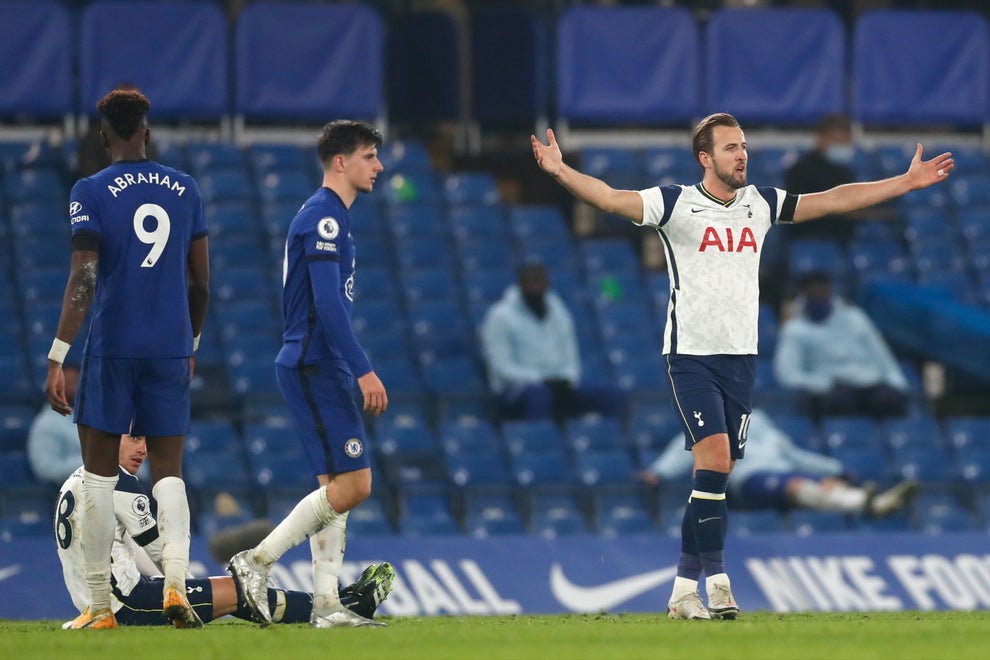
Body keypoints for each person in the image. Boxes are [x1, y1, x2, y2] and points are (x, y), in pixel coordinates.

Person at [530, 113, 953, 621]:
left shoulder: (760, 204)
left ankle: (683, 591)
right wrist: (560, 172)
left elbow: (837, 198)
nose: (742, 155)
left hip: (741, 357)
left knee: (715, 473)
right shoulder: (675, 204)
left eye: (744, 146)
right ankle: (720, 583)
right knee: (714, 457)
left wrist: (905, 182)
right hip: (690, 355)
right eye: (730, 148)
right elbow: (609, 197)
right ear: (705, 158)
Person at [44, 88, 211, 630]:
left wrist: (58, 354)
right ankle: (177, 589)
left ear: (104, 136)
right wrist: (191, 344)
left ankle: (98, 606)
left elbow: (85, 275)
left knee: (98, 477)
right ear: (146, 131)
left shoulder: (90, 190)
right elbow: (201, 282)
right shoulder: (185, 189)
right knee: (169, 474)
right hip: (168, 348)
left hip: (113, 347)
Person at [228, 120, 389, 629]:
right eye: (369, 156)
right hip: (315, 362)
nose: (378, 166)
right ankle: (254, 563)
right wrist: (363, 370)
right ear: (340, 162)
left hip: (313, 362)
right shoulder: (324, 219)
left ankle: (325, 604)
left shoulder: (326, 216)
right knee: (356, 484)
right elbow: (327, 306)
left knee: (333, 490)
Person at [55, 433, 395, 628]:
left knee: (232, 590)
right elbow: (160, 552)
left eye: (145, 439)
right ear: (110, 438)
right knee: (240, 588)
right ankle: (348, 604)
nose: (143, 449)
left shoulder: (75, 481)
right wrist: (180, 583)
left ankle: (341, 603)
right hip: (127, 606)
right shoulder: (120, 485)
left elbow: (126, 549)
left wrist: (171, 586)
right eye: (133, 438)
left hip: (95, 602)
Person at [636, 409, 920, 518]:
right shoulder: (705, 424)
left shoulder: (758, 420)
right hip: (748, 481)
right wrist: (658, 472)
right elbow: (682, 451)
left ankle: (870, 503)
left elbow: (793, 454)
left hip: (783, 472)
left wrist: (835, 469)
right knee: (798, 484)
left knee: (825, 482)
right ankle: (865, 503)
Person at [479, 261, 624, 423]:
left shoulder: (558, 311)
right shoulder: (500, 316)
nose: (536, 287)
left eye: (540, 281)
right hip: (515, 390)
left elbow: (570, 355)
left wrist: (566, 377)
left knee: (610, 394)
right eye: (531, 282)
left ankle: (612, 443)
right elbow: (501, 367)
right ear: (521, 284)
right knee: (539, 394)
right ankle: (536, 441)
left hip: (557, 384)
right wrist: (540, 379)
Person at [773, 270, 911, 420]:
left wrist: (896, 382)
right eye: (813, 292)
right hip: (831, 388)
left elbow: (880, 354)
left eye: (822, 290)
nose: (819, 295)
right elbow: (788, 373)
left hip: (868, 382)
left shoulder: (855, 318)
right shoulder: (796, 329)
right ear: (805, 294)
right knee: (840, 402)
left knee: (890, 400)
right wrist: (819, 384)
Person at [783, 113, 858, 243]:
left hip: (843, 239)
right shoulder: (801, 170)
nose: (841, 146)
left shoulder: (846, 172)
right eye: (837, 141)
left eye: (845, 142)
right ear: (821, 138)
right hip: (809, 237)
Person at [27, 362, 82, 486]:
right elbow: (45, 469)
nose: (76, 388)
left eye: (78, 382)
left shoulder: (95, 417)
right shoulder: (47, 423)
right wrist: (90, 466)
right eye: (69, 383)